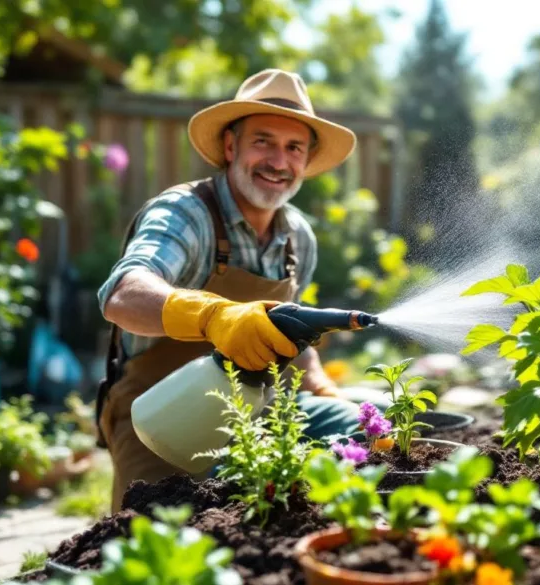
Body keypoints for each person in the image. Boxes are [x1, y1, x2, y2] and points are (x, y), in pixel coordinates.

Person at [94, 68, 362, 513]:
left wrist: (316, 379)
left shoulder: (299, 237)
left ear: (306, 160)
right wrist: (213, 317)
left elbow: (290, 331)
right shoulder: (187, 213)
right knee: (168, 544)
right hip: (163, 419)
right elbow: (123, 293)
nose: (279, 161)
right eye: (264, 141)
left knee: (362, 436)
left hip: (260, 412)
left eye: (293, 147)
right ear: (230, 146)